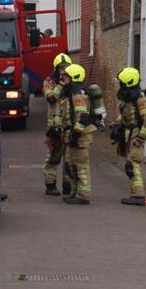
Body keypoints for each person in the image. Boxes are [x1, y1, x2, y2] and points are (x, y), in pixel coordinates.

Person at [111, 66, 146, 206]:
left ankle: (138, 196)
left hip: (136, 133)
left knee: (132, 164)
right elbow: (126, 113)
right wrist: (117, 123)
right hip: (129, 133)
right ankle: (136, 194)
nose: (120, 85)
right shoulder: (129, 97)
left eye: (122, 83)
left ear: (128, 82)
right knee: (130, 163)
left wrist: (140, 139)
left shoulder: (140, 98)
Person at [61, 63, 99, 205]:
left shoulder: (78, 95)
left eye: (66, 77)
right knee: (71, 164)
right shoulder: (71, 93)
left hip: (81, 136)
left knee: (81, 165)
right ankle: (75, 192)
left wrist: (76, 134)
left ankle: (83, 195)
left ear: (74, 78)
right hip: (74, 135)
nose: (63, 79)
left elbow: (82, 116)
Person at [42, 53, 72, 196]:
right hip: (54, 126)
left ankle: (68, 186)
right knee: (54, 156)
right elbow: (51, 98)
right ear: (56, 69)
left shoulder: (72, 82)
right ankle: (50, 185)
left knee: (69, 158)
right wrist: (61, 85)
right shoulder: (49, 82)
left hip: (68, 125)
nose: (63, 70)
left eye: (66, 67)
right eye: (61, 68)